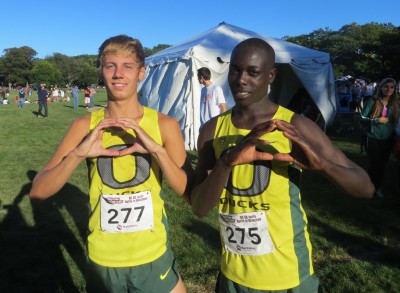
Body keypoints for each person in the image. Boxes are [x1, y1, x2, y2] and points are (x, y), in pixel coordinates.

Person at [191, 38, 374, 292]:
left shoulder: (294, 126)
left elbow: (365, 188)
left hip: (288, 275)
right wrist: (226, 162)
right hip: (232, 275)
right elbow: (199, 206)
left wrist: (322, 166)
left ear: (271, 75)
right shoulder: (212, 130)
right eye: (235, 69)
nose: (241, 79)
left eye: (253, 72)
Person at [29, 35, 192, 293]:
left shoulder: (165, 125)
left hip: (152, 254)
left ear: (141, 73)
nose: (118, 74)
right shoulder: (83, 126)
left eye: (127, 66)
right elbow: (38, 191)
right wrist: (78, 154)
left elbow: (190, 195)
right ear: (101, 71)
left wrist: (158, 151)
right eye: (110, 66)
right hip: (103, 258)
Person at [361, 77, 398, 198]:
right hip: (372, 137)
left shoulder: (395, 103)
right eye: (386, 86)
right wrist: (376, 120)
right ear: (381, 87)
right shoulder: (372, 101)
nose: (389, 89)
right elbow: (362, 118)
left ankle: (377, 188)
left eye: (392, 87)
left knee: (382, 165)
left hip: (388, 138)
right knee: (374, 164)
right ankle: (367, 188)